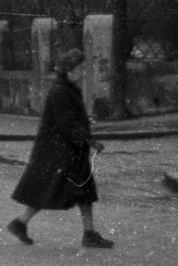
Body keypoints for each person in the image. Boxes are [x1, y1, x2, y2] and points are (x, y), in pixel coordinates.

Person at [9, 49, 113, 248]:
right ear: (69, 70)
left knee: (75, 189)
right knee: (54, 189)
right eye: (80, 68)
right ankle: (21, 223)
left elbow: (71, 120)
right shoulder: (61, 91)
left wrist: (85, 127)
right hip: (61, 151)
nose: (83, 73)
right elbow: (67, 123)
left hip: (66, 150)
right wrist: (89, 140)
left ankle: (22, 223)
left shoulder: (67, 89)